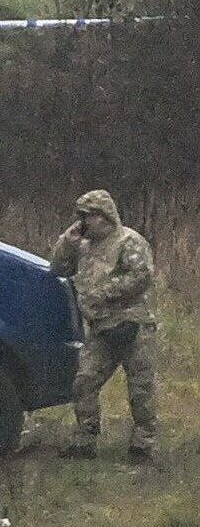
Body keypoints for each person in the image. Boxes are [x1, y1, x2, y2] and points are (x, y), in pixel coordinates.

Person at [49, 190, 163, 462]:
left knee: (140, 388)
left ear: (104, 217)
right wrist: (67, 242)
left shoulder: (128, 241)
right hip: (101, 329)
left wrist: (103, 291)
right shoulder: (83, 246)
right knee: (83, 382)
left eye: (88, 217)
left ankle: (143, 444)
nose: (84, 223)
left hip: (132, 325)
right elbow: (57, 268)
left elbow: (142, 276)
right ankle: (85, 439)